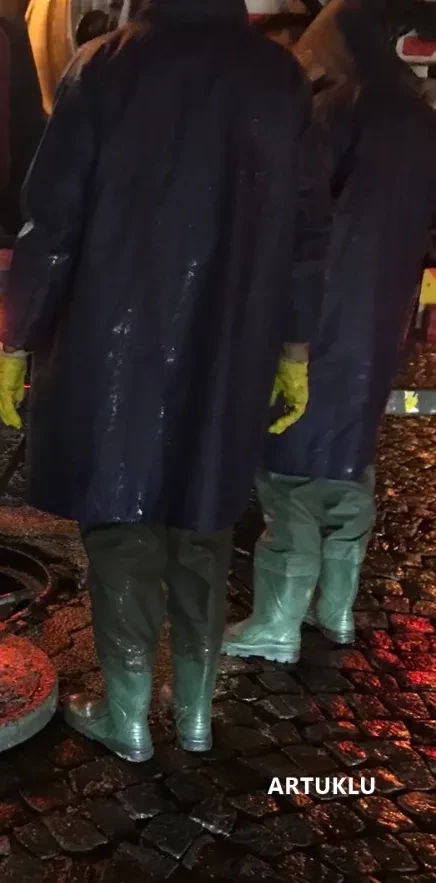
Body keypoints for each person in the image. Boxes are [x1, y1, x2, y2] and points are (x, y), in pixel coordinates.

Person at [0, 0, 329, 761]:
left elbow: (51, 223)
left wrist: (17, 340)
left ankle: (131, 713)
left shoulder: (103, 67)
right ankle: (199, 714)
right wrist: (295, 349)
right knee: (204, 525)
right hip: (230, 346)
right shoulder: (280, 80)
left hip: (112, 351)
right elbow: (309, 232)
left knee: (120, 530)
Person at [223, 0, 436, 663]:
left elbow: (297, 217)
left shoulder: (336, 108)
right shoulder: (420, 117)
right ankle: (336, 611)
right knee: (349, 466)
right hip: (380, 321)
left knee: (291, 474)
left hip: (321, 316)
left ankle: (278, 624)